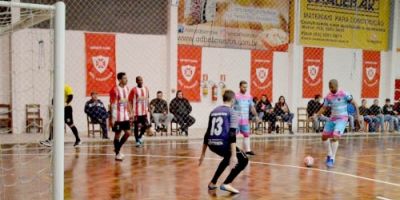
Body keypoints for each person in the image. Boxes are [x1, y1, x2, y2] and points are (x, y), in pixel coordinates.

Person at [199, 90, 249, 194]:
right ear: (233, 100)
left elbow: (207, 133)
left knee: (227, 157)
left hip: (211, 144)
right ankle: (227, 183)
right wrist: (234, 155)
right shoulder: (232, 112)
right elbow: (232, 134)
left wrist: (203, 153)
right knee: (244, 159)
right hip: (222, 144)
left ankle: (213, 183)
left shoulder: (214, 111)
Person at [316, 79, 358, 168]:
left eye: (332, 87)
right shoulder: (328, 96)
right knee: (324, 137)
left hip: (342, 118)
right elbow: (324, 108)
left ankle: (332, 158)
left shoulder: (344, 94)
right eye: (329, 87)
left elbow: (355, 103)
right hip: (332, 118)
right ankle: (329, 153)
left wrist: (358, 116)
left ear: (337, 85)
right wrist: (316, 115)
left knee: (335, 137)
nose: (331, 89)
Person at [110, 72, 132, 161]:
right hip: (117, 116)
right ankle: (117, 154)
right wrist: (112, 118)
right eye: (124, 78)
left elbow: (128, 102)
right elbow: (112, 104)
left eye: (126, 78)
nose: (126, 80)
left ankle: (117, 149)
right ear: (119, 80)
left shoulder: (127, 88)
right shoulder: (114, 90)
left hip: (125, 115)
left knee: (128, 133)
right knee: (117, 135)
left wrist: (131, 112)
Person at [234, 81, 259, 155]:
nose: (245, 88)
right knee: (233, 135)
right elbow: (231, 107)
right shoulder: (235, 96)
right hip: (236, 120)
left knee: (246, 134)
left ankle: (248, 150)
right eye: (243, 87)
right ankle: (232, 150)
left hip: (245, 120)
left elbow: (252, 107)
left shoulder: (249, 96)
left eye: (246, 87)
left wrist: (256, 116)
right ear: (240, 87)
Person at [129, 76, 152, 147]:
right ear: (136, 81)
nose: (140, 81)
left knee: (146, 125)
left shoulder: (146, 89)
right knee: (136, 126)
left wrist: (149, 108)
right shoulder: (134, 90)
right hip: (136, 112)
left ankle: (139, 136)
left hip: (144, 111)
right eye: (139, 80)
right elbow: (130, 101)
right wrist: (131, 111)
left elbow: (147, 99)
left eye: (141, 80)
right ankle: (137, 141)